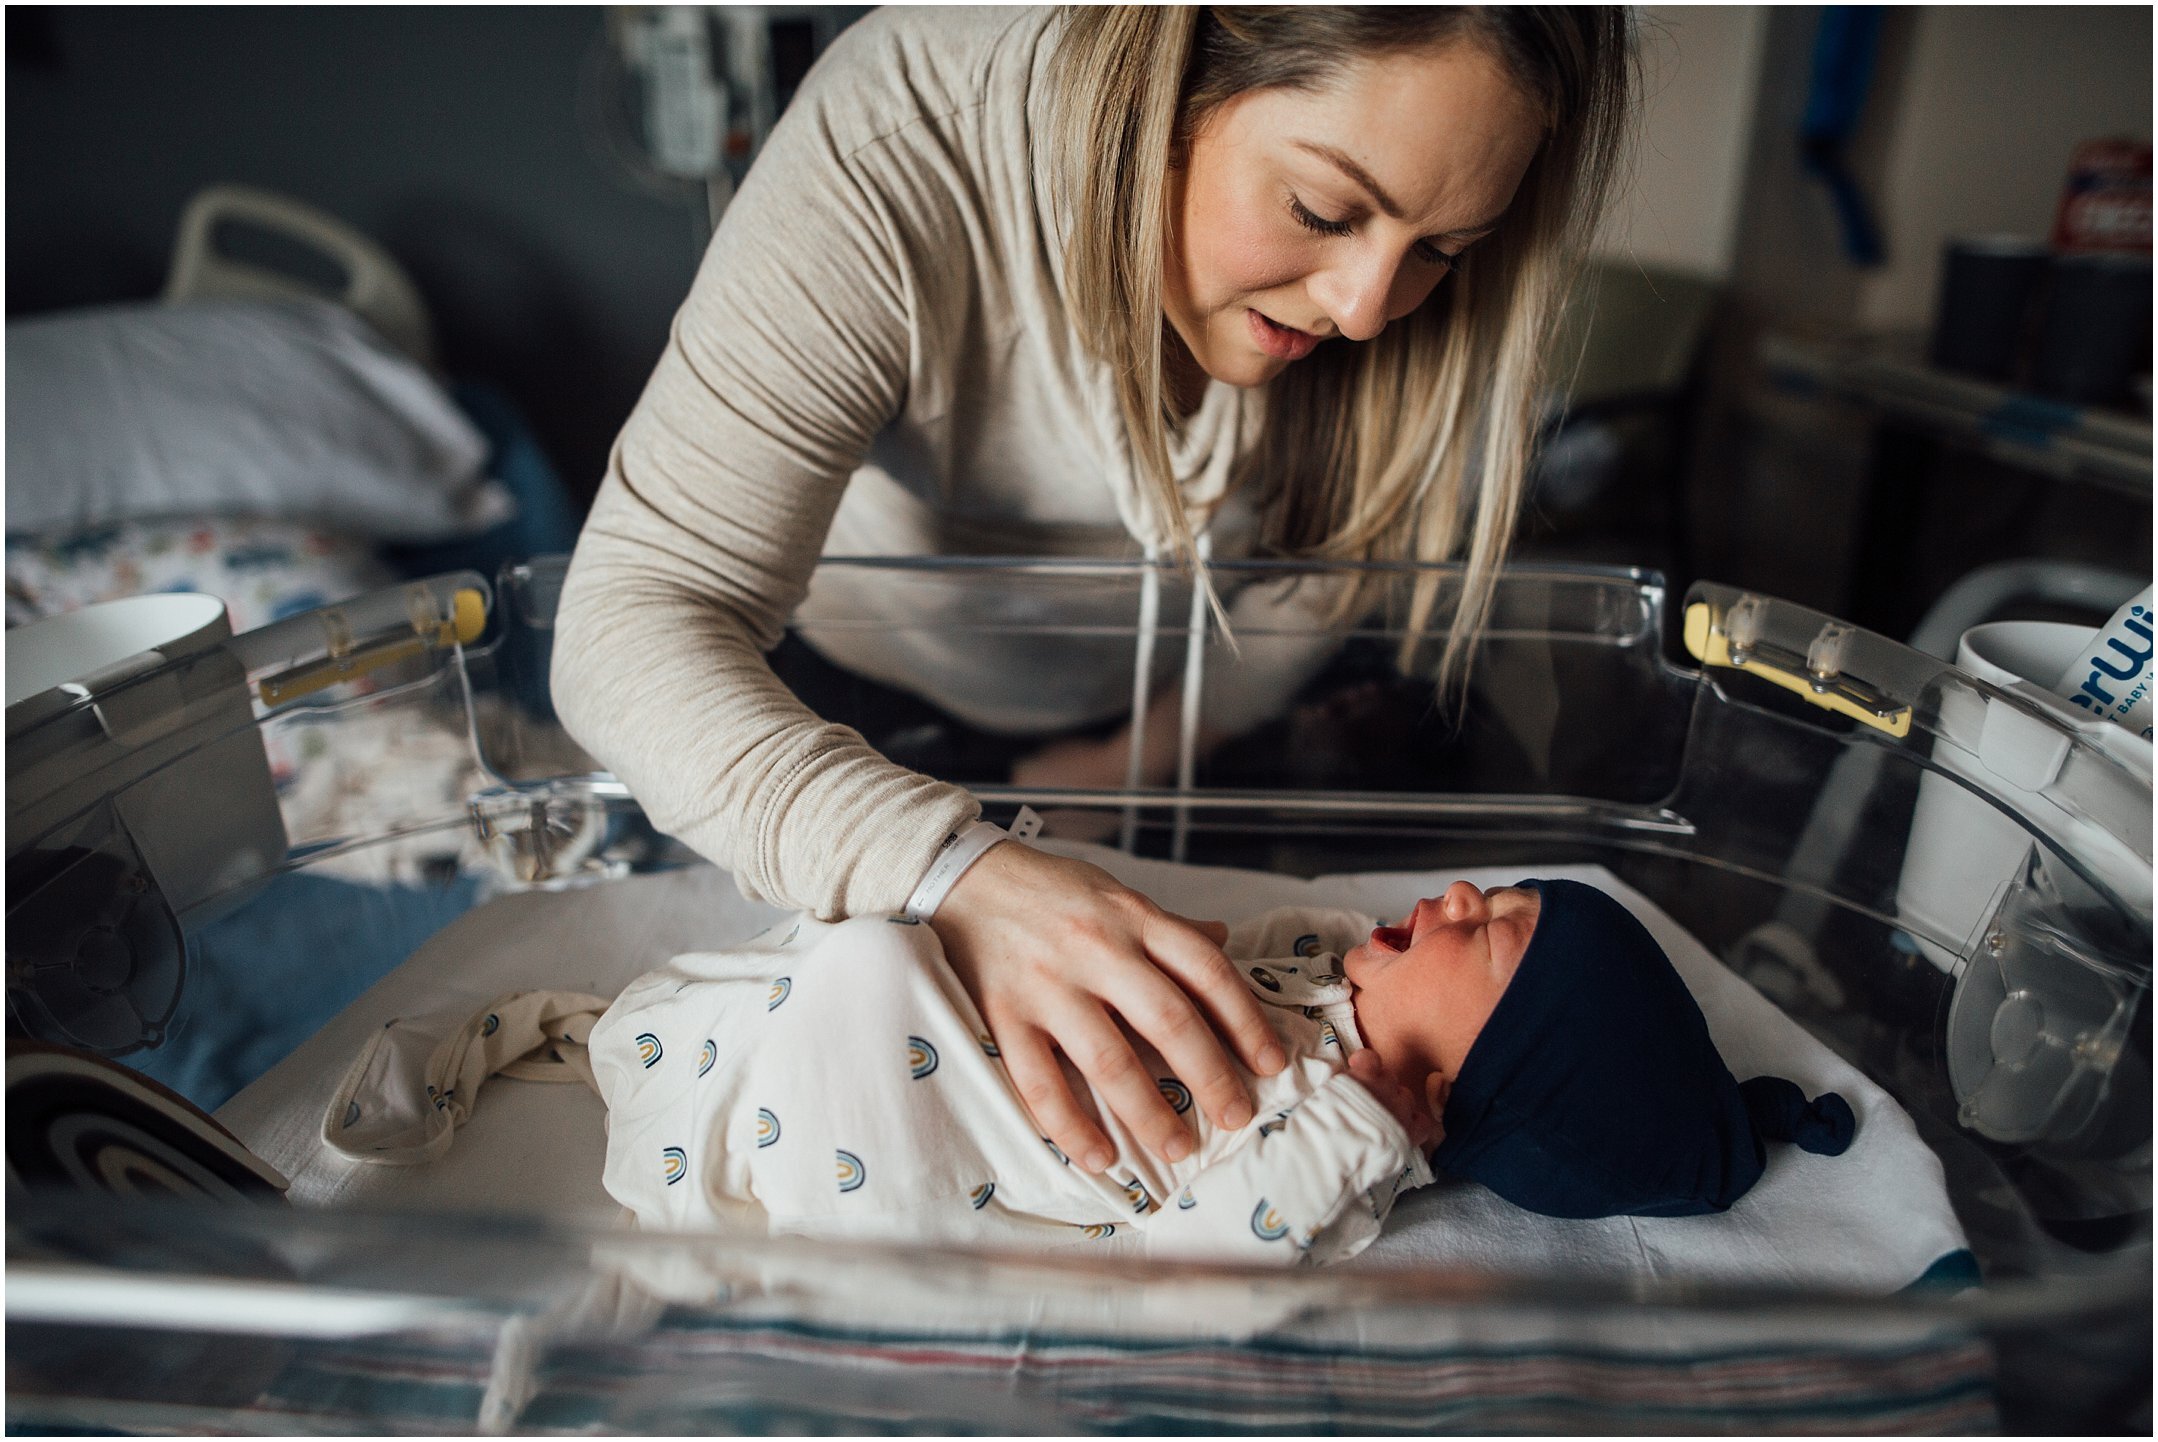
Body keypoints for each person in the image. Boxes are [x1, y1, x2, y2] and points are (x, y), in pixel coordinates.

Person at [551, 8, 1636, 1188]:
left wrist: (1126, 764)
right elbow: (629, 622)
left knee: (1445, 740)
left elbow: (1330, 555)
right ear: (1167, 77)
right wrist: (950, 863)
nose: (1368, 307)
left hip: (1187, 696)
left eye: (1444, 250)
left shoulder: (1387, 305)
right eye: (1322, 211)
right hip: (861, 714)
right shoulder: (906, 143)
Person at [580, 878, 1855, 1265]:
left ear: (1501, 1068)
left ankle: (771, 1127)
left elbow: (1197, 1262)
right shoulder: (1332, 968)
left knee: (863, 977)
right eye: (1500, 887)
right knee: (875, 940)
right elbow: (1197, 957)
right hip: (982, 1031)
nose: (1460, 891)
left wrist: (1357, 1128)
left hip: (951, 1143)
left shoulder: (1344, 1144)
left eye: (1497, 928)